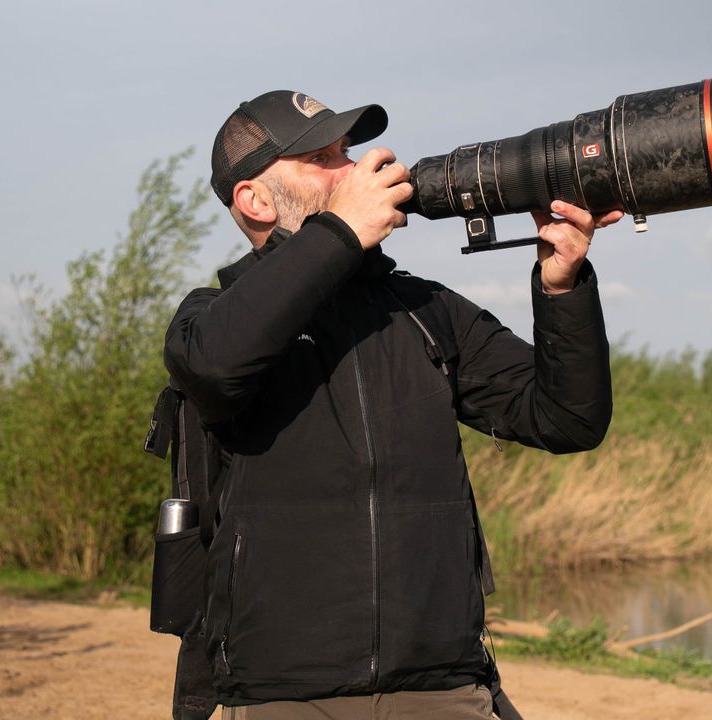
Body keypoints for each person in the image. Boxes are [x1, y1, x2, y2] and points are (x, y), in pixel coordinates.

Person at [164, 90, 623, 719]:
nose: (357, 168)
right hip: (286, 694)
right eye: (322, 158)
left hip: (444, 687)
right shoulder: (209, 320)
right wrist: (341, 233)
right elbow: (217, 366)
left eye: (345, 151)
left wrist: (562, 286)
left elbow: (567, 418)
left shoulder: (426, 313)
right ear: (257, 200)